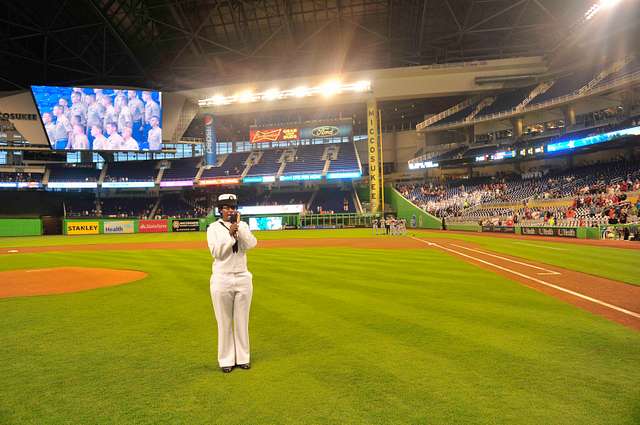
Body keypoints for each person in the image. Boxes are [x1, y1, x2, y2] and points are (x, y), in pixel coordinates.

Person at [207, 194, 257, 373]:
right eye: (226, 207)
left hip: (243, 277)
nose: (230, 210)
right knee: (224, 322)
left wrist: (239, 229)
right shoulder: (213, 228)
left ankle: (243, 357)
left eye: (232, 206)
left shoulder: (243, 225)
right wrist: (230, 235)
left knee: (242, 321)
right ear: (220, 209)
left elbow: (251, 244)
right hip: (222, 278)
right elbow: (217, 253)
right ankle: (226, 360)